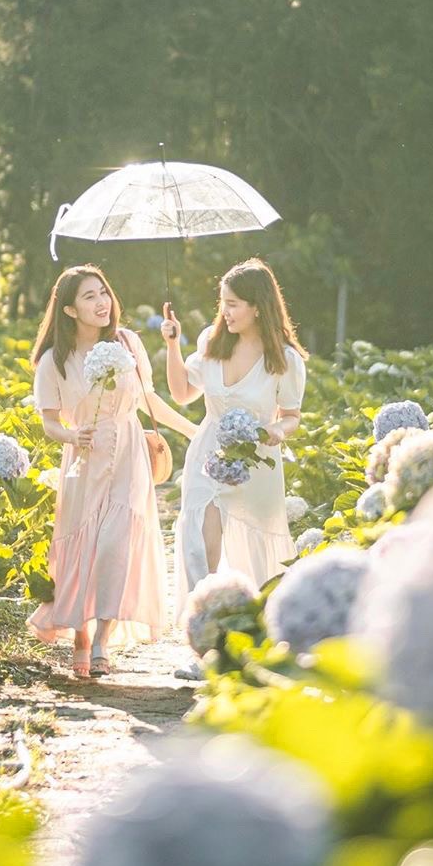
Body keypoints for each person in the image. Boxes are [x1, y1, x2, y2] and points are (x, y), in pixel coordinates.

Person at [29, 265, 197, 678]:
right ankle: (82, 636)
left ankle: (104, 639)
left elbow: (148, 401)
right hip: (84, 461)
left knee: (114, 545)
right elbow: (49, 421)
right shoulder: (54, 361)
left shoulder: (127, 342)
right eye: (89, 296)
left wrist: (197, 431)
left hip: (128, 455)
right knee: (83, 547)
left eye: (103, 292)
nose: (102, 302)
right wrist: (72, 435)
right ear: (69, 310)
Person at [161, 257, 307, 620]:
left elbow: (291, 416)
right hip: (209, 454)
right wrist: (173, 345)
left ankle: (255, 626)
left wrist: (276, 430)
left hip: (256, 459)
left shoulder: (285, 360)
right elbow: (181, 392)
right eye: (222, 303)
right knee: (200, 536)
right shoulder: (212, 342)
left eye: (232, 304)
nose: (224, 311)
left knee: (254, 548)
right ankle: (204, 627)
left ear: (258, 307)